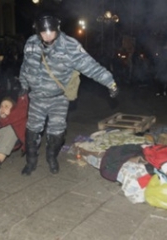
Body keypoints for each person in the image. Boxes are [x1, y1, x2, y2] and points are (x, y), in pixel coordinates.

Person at [19, 12, 119, 176]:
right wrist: (23, 83)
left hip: (59, 98)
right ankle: (31, 161)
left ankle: (52, 157)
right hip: (36, 97)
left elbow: (90, 66)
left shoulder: (70, 46)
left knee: (57, 132)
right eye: (43, 32)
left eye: (51, 31)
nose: (47, 36)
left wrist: (110, 83)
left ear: (57, 29)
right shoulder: (31, 43)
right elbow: (25, 66)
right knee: (32, 131)